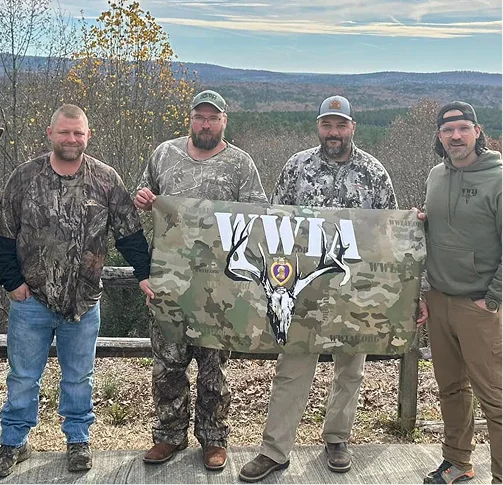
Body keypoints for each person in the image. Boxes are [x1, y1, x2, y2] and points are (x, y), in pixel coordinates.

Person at [239, 94, 402, 482]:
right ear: (318, 127)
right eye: (327, 124)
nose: (333, 132)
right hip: (302, 290)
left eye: (340, 125)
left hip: (355, 289)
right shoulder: (297, 167)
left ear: (352, 128)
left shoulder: (374, 173)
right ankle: (275, 450)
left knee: (350, 370)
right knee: (292, 369)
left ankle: (337, 439)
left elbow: (391, 231)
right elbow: (275, 223)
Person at [0, 104, 153, 477]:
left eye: (78, 133)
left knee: (79, 376)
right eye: (65, 132)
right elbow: (4, 233)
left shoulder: (105, 178)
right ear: (50, 134)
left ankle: (78, 440)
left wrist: (145, 274)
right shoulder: (24, 177)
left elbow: (129, 233)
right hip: (31, 300)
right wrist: (12, 282)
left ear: (88, 135)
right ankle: (13, 441)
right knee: (23, 376)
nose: (72, 139)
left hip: (83, 302)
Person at [135, 89, 267, 471]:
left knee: (214, 369)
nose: (205, 124)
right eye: (199, 117)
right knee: (167, 366)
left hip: (220, 285)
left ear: (224, 121)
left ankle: (213, 438)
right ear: (190, 119)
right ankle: (169, 435)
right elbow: (143, 194)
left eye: (212, 118)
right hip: (170, 279)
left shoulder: (241, 163)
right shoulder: (164, 154)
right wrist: (142, 199)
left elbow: (258, 215)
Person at [419, 102, 503, 485]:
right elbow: (437, 230)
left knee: (495, 398)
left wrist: (493, 299)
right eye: (448, 130)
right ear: (439, 136)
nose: (456, 136)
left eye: (463, 128)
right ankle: (457, 462)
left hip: (479, 306)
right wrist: (419, 221)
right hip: (439, 300)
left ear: (477, 132)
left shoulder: (497, 178)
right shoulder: (436, 176)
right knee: (451, 388)